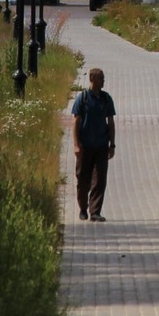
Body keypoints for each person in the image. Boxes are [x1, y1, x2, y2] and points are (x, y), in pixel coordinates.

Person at [72, 66, 116, 221]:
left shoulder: (106, 99)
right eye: (101, 78)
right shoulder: (82, 98)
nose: (103, 81)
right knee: (83, 179)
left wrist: (112, 144)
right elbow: (76, 122)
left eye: (103, 78)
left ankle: (95, 211)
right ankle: (83, 208)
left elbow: (110, 122)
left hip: (101, 145)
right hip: (85, 146)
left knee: (100, 179)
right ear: (92, 79)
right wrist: (76, 144)